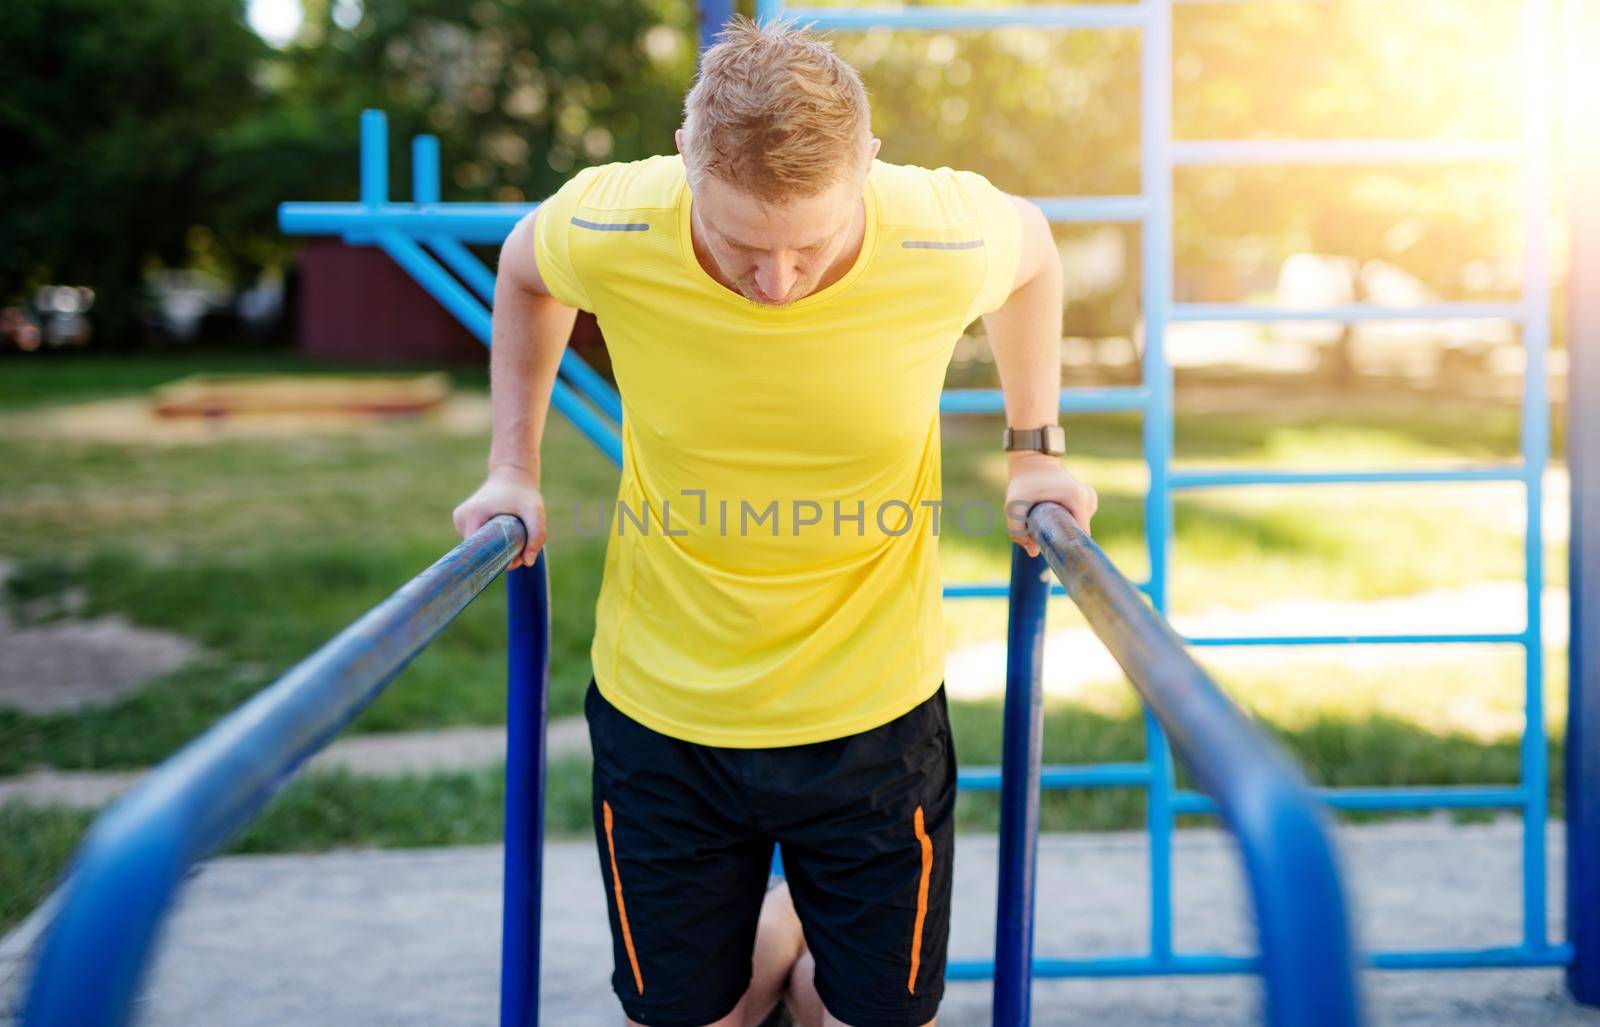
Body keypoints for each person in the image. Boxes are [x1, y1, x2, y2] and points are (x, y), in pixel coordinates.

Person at [452, 15, 1097, 1027]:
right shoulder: (617, 219)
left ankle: (800, 942)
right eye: (744, 244)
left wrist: (1032, 449)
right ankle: (778, 933)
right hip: (663, 709)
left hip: (873, 713)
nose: (778, 282)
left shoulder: (937, 228)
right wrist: (512, 468)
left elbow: (1036, 255)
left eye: (811, 244)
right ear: (683, 164)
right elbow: (528, 271)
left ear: (868, 168)